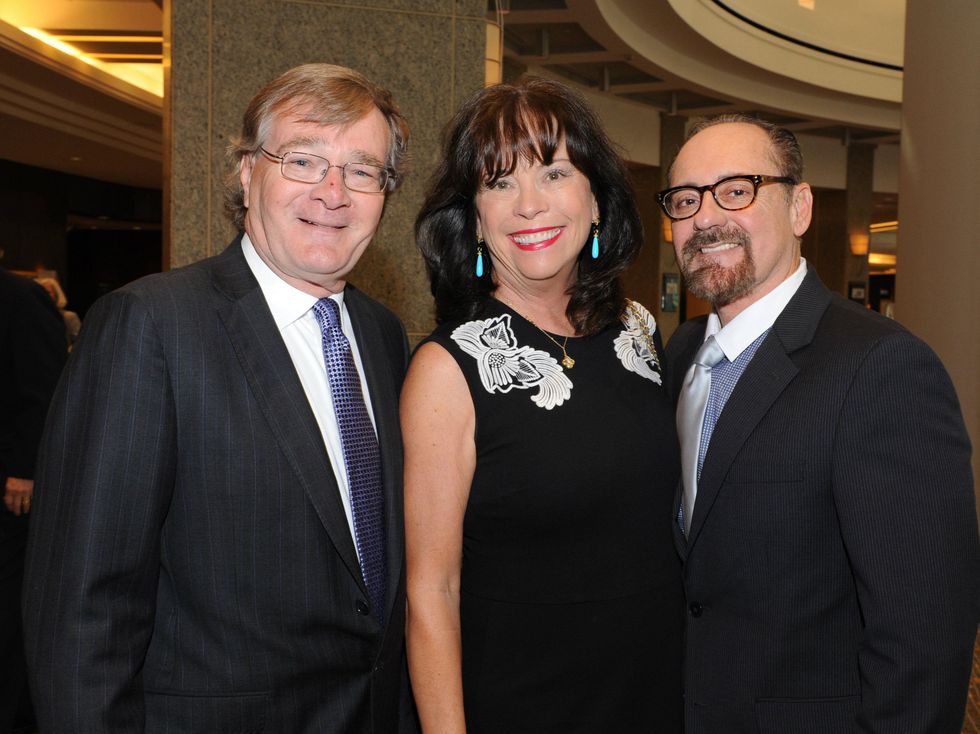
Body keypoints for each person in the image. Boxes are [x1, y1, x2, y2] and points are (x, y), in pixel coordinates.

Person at [24, 64, 416, 733]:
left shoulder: (383, 336)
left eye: (362, 170)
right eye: (303, 159)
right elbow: (84, 611)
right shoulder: (150, 325)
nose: (333, 192)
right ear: (245, 172)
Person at [659, 113, 979, 733]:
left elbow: (923, 640)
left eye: (737, 190)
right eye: (685, 199)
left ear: (800, 207)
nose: (704, 218)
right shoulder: (680, 354)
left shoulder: (881, 367)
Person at [403, 77, 684, 733]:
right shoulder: (448, 370)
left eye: (555, 173)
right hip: (524, 706)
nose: (529, 204)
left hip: (656, 701)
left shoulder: (641, 331)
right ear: (474, 217)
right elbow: (431, 593)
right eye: (500, 182)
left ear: (595, 201)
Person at [0, 266, 66, 734]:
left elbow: (45, 392)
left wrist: (26, 471)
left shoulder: (21, 298)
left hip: (13, 491)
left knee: (8, 612)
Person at [35, 275, 82, 349]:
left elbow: (80, 342)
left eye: (48, 292)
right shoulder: (36, 317)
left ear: (57, 294)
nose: (44, 295)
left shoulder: (69, 316)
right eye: (41, 291)